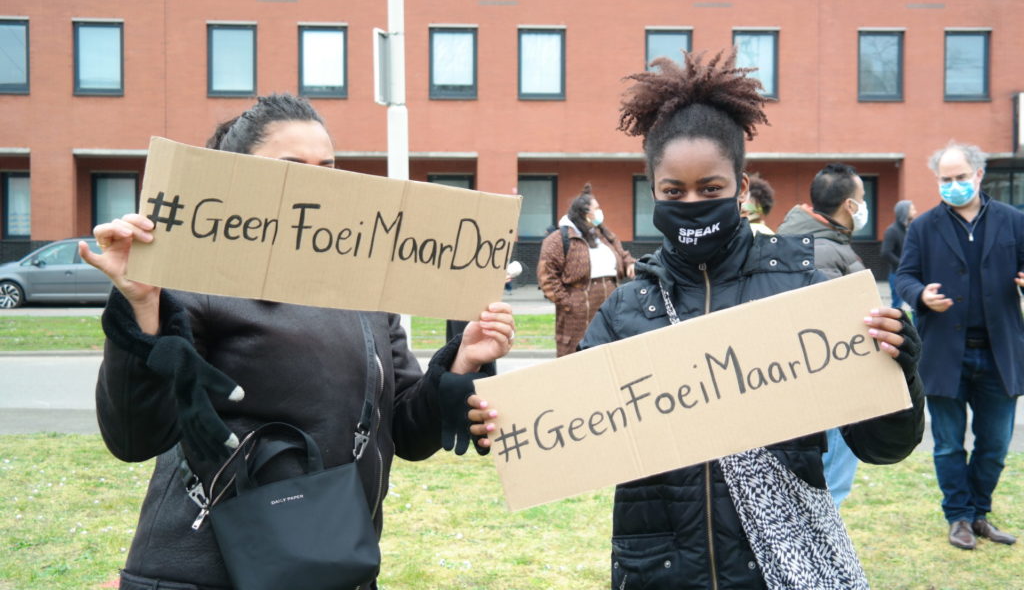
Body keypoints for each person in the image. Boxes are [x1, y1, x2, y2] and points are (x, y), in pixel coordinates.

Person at [520, 50, 924, 589]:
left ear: (740, 187)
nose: (691, 203)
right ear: (654, 191)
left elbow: (884, 446)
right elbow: (569, 438)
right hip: (659, 572)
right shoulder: (624, 309)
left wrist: (902, 373)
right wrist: (495, 415)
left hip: (774, 567)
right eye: (673, 192)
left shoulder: (805, 292)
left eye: (710, 189)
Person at [80, 94, 515, 590]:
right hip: (207, 571)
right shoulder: (198, 278)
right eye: (292, 167)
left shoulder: (363, 285)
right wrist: (141, 306)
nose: (317, 181)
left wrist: (462, 360)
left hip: (328, 563)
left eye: (328, 167)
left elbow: (406, 432)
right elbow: (134, 436)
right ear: (240, 175)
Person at [895, 141, 1024, 550]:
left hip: (1000, 352)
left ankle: (979, 513)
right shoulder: (924, 226)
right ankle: (959, 518)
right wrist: (920, 296)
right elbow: (903, 277)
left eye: (960, 178)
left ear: (978, 175)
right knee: (949, 445)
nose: (953, 186)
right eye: (945, 180)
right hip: (944, 354)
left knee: (995, 445)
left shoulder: (1013, 220)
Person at [776, 162, 869, 508]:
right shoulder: (827, 252)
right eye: (861, 198)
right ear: (849, 205)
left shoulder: (790, 240)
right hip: (832, 385)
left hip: (794, 384)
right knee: (829, 486)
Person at [536, 183, 636, 357]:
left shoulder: (603, 235)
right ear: (584, 213)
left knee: (607, 354)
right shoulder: (559, 239)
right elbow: (547, 275)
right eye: (596, 208)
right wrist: (568, 303)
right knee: (576, 356)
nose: (600, 212)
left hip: (609, 304)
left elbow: (622, 254)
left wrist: (630, 264)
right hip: (577, 311)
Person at [880, 200, 917, 310]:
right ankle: (894, 327)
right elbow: (885, 253)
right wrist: (902, 264)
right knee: (897, 306)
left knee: (916, 306)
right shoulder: (892, 231)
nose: (915, 211)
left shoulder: (911, 229)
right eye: (912, 209)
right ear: (905, 212)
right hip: (897, 274)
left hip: (912, 274)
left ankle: (916, 328)